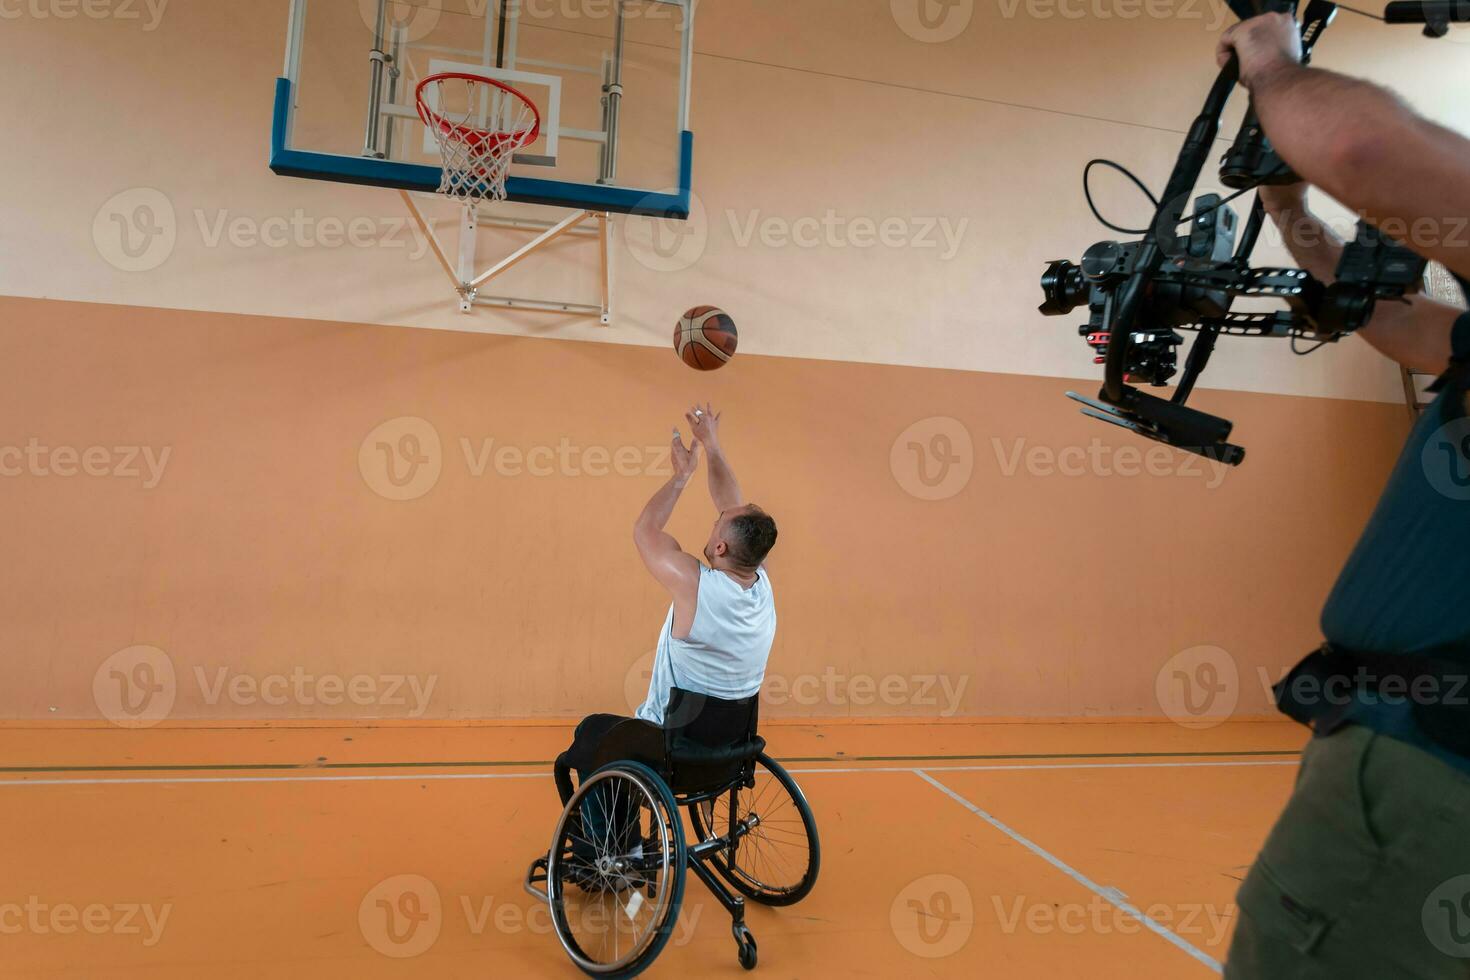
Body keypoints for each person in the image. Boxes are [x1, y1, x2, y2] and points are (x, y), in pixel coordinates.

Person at [1217, 13, 1470, 978]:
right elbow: (1397, 322)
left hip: (1432, 781)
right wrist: (1288, 207)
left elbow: (1364, 146)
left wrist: (1273, 63)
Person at [552, 404, 779, 807]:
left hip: (671, 749)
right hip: (728, 753)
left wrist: (681, 477)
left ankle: (620, 852)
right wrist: (711, 444)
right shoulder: (760, 584)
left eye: (716, 526)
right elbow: (732, 505)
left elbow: (646, 531)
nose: (713, 523)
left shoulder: (694, 584)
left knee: (591, 733)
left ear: (721, 547)